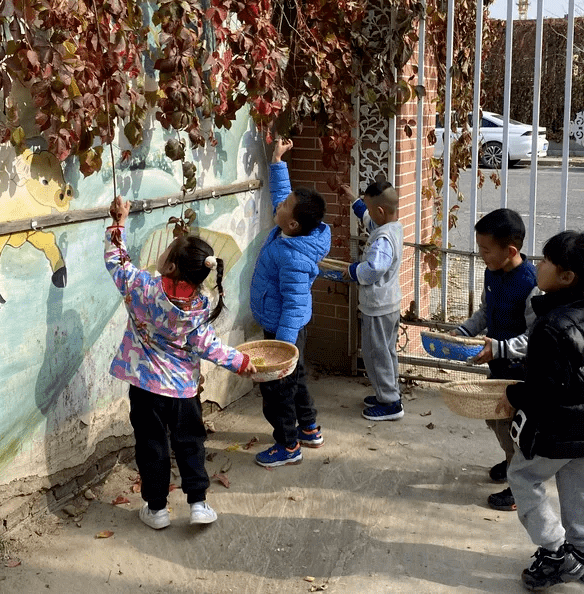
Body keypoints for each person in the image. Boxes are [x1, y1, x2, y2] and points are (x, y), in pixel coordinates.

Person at [105, 196, 256, 529]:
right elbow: (210, 346)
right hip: (184, 393)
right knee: (190, 444)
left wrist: (118, 222)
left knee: (151, 446)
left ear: (170, 266)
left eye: (167, 250)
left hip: (145, 390)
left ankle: (156, 509)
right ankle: (198, 503)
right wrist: (241, 362)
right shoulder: (200, 305)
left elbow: (117, 261)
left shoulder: (141, 288)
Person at [502, 231, 584, 591]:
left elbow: (544, 391)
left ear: (566, 276)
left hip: (561, 429)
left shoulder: (550, 326)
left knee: (524, 477)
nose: (537, 265)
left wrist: (513, 396)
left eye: (545, 261)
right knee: (580, 485)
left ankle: (556, 551)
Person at [249, 138, 331, 467]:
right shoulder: (295, 232)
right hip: (287, 327)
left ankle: (287, 445)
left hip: (286, 330)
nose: (280, 205)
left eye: (284, 206)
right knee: (296, 381)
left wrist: (282, 350)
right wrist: (277, 160)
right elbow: (284, 197)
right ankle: (309, 428)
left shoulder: (293, 256)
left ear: (292, 223)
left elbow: (295, 305)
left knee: (277, 389)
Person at [453, 208, 537, 511]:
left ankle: (520, 486)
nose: (481, 255)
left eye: (485, 250)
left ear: (510, 250)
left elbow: (536, 339)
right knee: (495, 419)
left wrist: (500, 348)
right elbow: (487, 313)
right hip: (498, 368)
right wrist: (464, 331)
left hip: (522, 374)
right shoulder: (493, 271)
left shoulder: (532, 285)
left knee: (512, 426)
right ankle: (512, 459)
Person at [339, 179, 405, 421]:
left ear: (379, 211)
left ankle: (390, 403)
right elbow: (368, 218)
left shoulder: (382, 240)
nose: (366, 213)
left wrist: (353, 270)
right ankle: (388, 392)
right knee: (385, 352)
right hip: (388, 305)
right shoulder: (392, 227)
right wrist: (353, 199)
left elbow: (374, 269)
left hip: (378, 307)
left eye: (368, 207)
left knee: (375, 354)